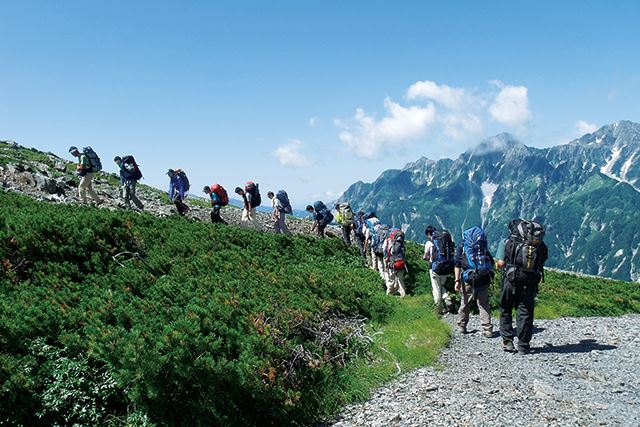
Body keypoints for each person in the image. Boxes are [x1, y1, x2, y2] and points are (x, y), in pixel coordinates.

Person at [496, 218, 548, 354]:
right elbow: (543, 259)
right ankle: (523, 345)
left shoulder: (507, 241)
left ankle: (507, 341)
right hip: (530, 281)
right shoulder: (538, 244)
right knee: (525, 311)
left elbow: (500, 264)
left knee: (506, 308)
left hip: (510, 279)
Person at [454, 226, 494, 337]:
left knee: (465, 303)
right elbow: (490, 262)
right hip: (483, 277)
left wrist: (457, 280)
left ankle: (462, 326)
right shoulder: (482, 247)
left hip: (468, 278)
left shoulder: (462, 246)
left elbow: (457, 264)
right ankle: (487, 329)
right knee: (483, 304)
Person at [423, 225, 454, 315]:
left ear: (429, 234)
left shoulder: (429, 243)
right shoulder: (443, 240)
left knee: (436, 288)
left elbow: (425, 256)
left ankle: (438, 309)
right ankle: (447, 299)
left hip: (436, 268)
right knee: (441, 285)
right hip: (447, 267)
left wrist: (425, 258)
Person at [383, 229, 407, 297]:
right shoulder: (402, 244)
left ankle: (389, 293)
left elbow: (388, 252)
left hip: (392, 263)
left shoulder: (390, 242)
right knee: (400, 279)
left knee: (391, 279)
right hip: (401, 263)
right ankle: (403, 294)